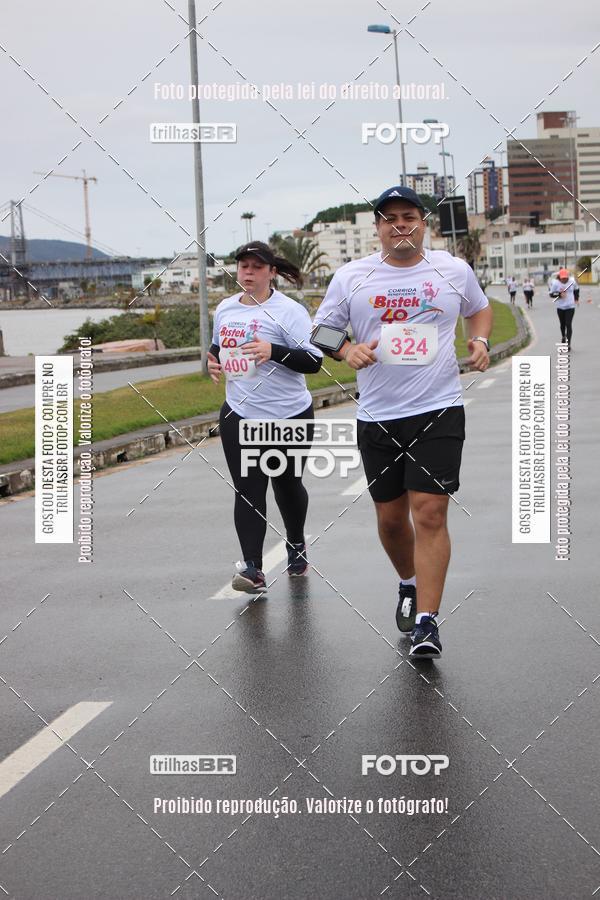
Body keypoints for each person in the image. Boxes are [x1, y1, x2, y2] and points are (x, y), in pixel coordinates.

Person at [312, 186, 492, 659]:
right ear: (377, 228)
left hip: (439, 409)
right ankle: (408, 583)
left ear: (423, 221)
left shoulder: (452, 270)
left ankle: (428, 623)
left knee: (429, 513)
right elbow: (323, 330)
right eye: (389, 218)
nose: (400, 225)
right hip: (379, 415)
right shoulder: (353, 276)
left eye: (408, 216)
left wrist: (481, 342)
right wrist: (346, 349)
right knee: (392, 521)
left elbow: (479, 309)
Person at [208, 242, 322, 592]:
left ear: (272, 272)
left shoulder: (289, 311)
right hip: (240, 414)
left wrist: (273, 351)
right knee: (248, 491)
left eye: (257, 267)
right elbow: (217, 348)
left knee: (287, 487)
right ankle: (253, 569)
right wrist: (212, 361)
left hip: (288, 415)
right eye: (243, 266)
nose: (248, 272)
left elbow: (314, 360)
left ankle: (297, 543)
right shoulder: (226, 309)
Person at [548, 267, 579, 349]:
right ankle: (563, 337)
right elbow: (551, 294)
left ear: (567, 277)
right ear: (559, 277)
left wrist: (576, 299)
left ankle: (568, 344)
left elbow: (576, 290)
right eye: (562, 278)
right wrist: (559, 295)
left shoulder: (572, 281)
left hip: (570, 306)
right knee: (562, 324)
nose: (564, 280)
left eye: (565, 278)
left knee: (568, 324)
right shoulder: (556, 284)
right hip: (560, 307)